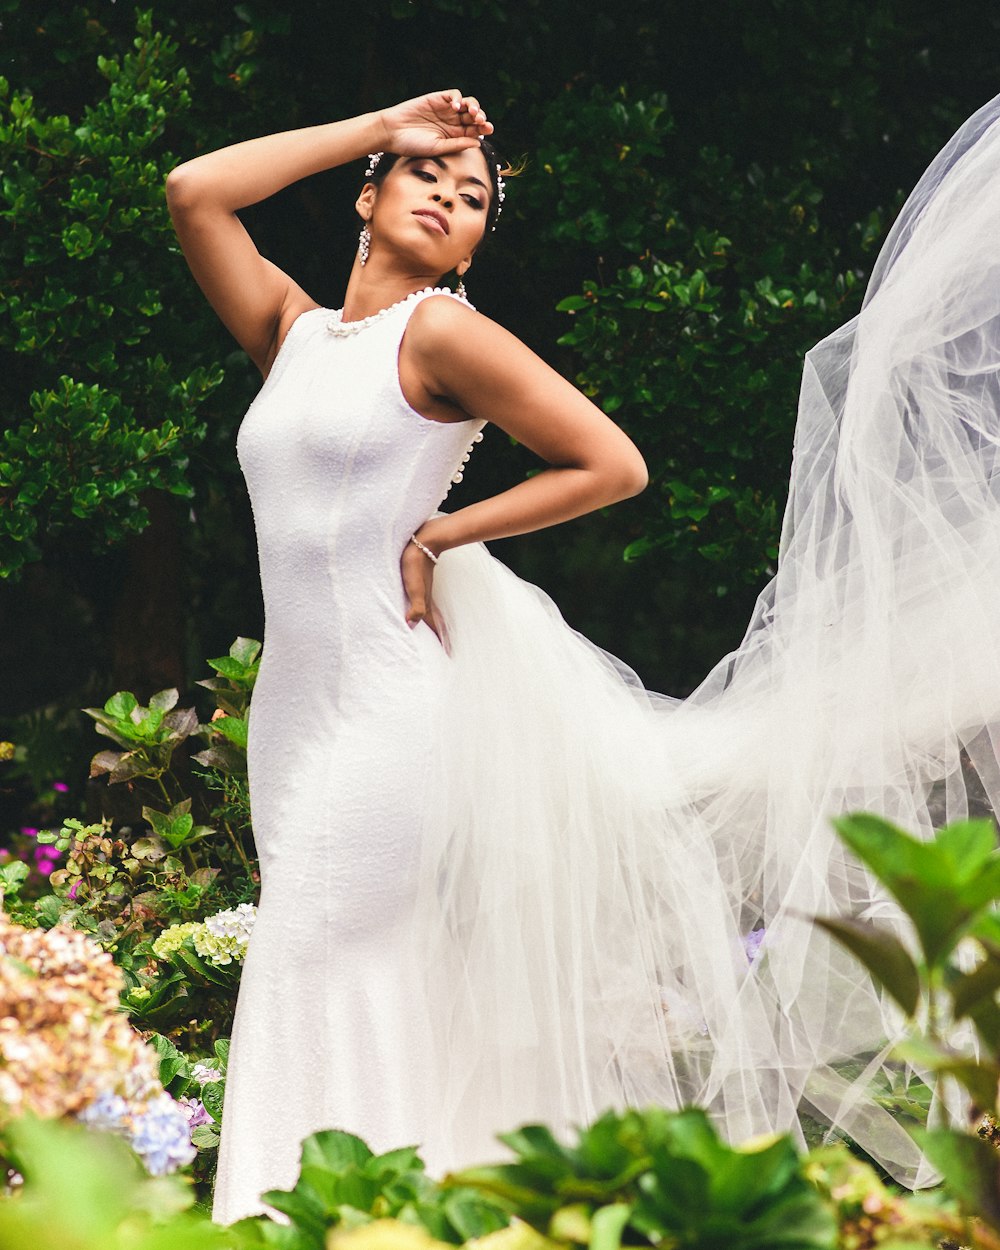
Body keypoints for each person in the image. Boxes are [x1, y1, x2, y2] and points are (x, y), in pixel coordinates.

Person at [168, 88, 1000, 1226]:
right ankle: (398, 1209)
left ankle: (287, 1216)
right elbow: (194, 191)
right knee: (354, 969)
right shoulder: (293, 333)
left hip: (393, 712)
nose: (451, 202)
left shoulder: (442, 333)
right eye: (427, 178)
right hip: (296, 720)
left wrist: (449, 529)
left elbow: (609, 461)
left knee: (312, 951)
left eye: (473, 202)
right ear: (368, 194)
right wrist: (384, 124)